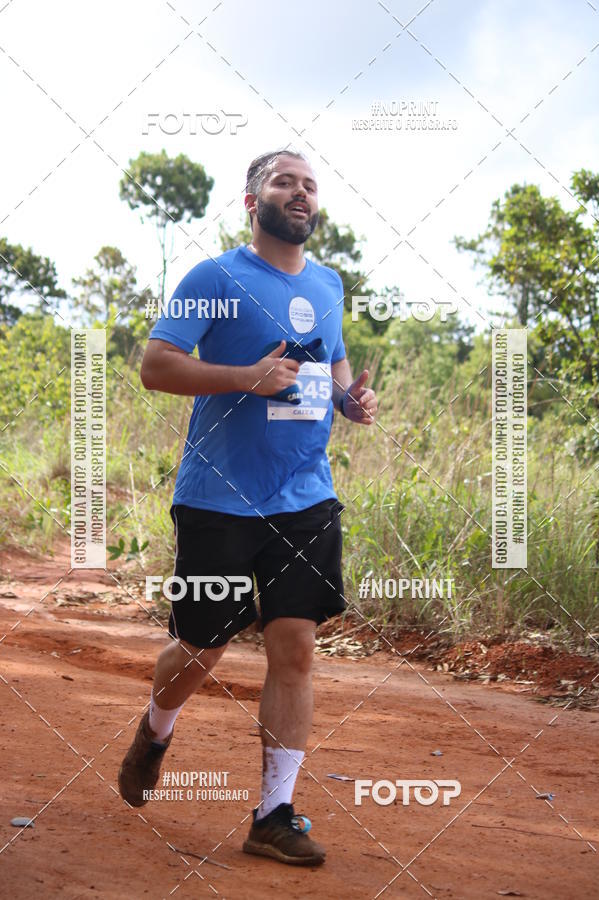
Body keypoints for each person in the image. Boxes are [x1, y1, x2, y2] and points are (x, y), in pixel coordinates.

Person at [118, 149, 378, 866]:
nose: (300, 192)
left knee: (295, 645)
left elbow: (333, 360)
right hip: (220, 499)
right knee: (202, 646)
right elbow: (155, 365)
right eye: (284, 180)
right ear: (251, 200)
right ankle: (156, 729)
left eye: (310, 184)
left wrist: (352, 399)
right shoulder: (215, 276)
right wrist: (244, 378)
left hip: (306, 495)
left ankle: (274, 814)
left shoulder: (329, 283)